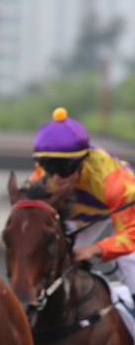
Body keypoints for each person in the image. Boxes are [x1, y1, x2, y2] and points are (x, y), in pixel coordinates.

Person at [30, 107, 135, 294]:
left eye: (63, 168)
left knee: (128, 261)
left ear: (82, 162)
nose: (55, 178)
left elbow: (130, 235)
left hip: (121, 213)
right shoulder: (41, 175)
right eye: (48, 166)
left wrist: (94, 249)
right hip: (79, 216)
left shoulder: (112, 180)